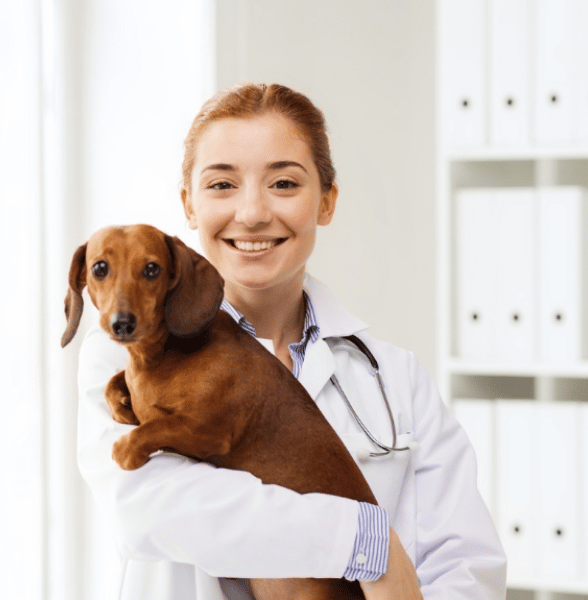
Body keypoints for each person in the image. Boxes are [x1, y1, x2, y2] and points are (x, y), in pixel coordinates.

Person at [77, 83, 507, 600]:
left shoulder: (396, 379)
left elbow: (467, 565)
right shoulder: (126, 355)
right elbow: (149, 508)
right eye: (221, 185)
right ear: (189, 205)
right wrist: (363, 542)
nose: (253, 212)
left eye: (283, 183)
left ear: (326, 201)